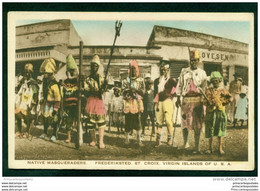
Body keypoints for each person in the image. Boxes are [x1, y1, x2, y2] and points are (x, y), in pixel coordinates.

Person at [176, 50, 208, 154]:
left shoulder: (202, 73)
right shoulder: (184, 71)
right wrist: (177, 98)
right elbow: (180, 85)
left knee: (197, 124)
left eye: (195, 60)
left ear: (198, 61)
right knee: (185, 122)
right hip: (186, 100)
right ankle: (186, 143)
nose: (193, 62)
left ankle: (197, 147)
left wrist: (204, 100)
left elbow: (204, 87)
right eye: (191, 60)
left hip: (197, 101)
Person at [204, 71, 233, 155]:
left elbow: (230, 98)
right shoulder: (208, 91)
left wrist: (223, 102)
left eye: (217, 80)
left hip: (220, 113)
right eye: (213, 81)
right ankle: (210, 148)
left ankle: (220, 148)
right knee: (210, 130)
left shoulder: (223, 91)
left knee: (220, 130)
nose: (215, 82)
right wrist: (208, 103)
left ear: (220, 80)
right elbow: (204, 100)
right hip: (211, 113)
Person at [83, 55, 107, 149]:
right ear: (91, 67)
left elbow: (103, 90)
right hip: (91, 101)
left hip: (99, 101)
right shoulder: (88, 79)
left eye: (96, 66)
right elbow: (86, 91)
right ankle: (93, 139)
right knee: (90, 122)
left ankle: (101, 141)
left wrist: (104, 86)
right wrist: (97, 91)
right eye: (93, 65)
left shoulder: (101, 78)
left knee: (101, 121)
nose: (94, 67)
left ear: (98, 67)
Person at [153, 63, 178, 147]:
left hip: (167, 101)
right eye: (162, 70)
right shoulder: (157, 81)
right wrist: (155, 103)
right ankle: (158, 140)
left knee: (168, 120)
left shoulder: (171, 80)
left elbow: (177, 87)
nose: (163, 71)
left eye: (165, 70)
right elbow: (155, 93)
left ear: (168, 70)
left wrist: (172, 94)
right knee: (159, 121)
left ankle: (169, 139)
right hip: (159, 102)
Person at [122, 60, 145, 146]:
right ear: (129, 70)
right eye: (131, 69)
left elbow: (143, 91)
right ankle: (127, 139)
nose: (133, 71)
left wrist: (136, 90)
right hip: (128, 102)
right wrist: (129, 90)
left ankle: (139, 140)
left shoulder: (140, 80)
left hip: (137, 102)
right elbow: (122, 91)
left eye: (134, 69)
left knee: (138, 121)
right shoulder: (126, 80)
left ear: (137, 70)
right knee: (128, 120)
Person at [39, 58, 62, 142]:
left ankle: (54, 134)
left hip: (53, 104)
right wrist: (42, 99)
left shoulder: (54, 84)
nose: (44, 74)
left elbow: (57, 98)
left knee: (54, 118)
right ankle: (45, 132)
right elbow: (44, 92)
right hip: (47, 103)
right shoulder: (45, 82)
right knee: (45, 117)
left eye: (46, 73)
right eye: (44, 73)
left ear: (50, 74)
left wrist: (56, 108)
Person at [15, 63, 39, 138]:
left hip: (28, 102)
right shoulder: (23, 81)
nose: (27, 74)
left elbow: (35, 94)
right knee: (17, 114)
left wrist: (33, 104)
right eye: (26, 72)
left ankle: (27, 132)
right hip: (21, 101)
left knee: (27, 117)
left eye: (29, 72)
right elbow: (17, 89)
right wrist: (21, 83)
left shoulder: (34, 83)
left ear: (31, 73)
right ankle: (19, 131)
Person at [62, 54, 79, 143]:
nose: (71, 72)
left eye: (73, 70)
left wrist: (75, 74)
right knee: (68, 122)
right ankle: (69, 137)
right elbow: (64, 93)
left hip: (76, 105)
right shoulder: (65, 81)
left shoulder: (77, 80)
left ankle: (78, 136)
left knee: (77, 121)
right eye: (70, 71)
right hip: (68, 105)